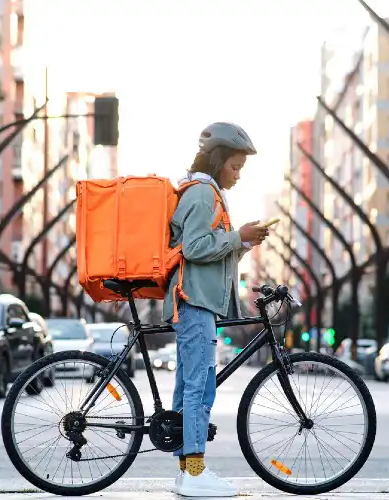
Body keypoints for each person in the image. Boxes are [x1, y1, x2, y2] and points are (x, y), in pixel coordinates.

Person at [163, 122, 269, 497]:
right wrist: (235, 236)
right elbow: (194, 248)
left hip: (197, 301)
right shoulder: (202, 193)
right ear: (220, 159)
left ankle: (184, 470)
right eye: (236, 166)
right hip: (193, 301)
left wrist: (243, 242)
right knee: (199, 387)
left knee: (190, 387)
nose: (238, 175)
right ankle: (194, 472)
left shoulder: (206, 192)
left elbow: (213, 252)